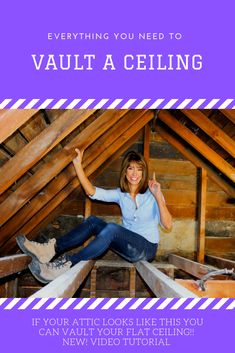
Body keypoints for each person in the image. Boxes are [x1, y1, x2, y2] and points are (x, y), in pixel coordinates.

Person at [16, 149, 172, 283]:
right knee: (93, 222)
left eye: (139, 169)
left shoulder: (152, 195)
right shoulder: (120, 195)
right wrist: (78, 165)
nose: (134, 174)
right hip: (128, 247)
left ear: (143, 173)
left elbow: (167, 225)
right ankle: (50, 249)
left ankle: (68, 263)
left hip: (147, 248)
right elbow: (92, 192)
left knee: (111, 228)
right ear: (125, 172)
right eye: (131, 168)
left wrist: (158, 195)